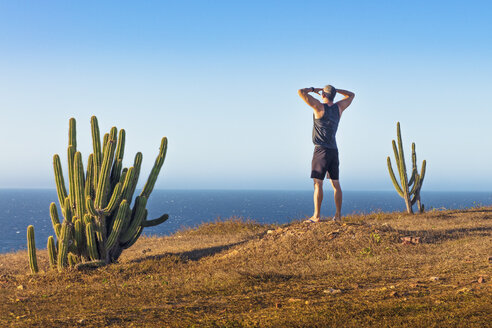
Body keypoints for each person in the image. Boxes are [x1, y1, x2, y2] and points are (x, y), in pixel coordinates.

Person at [298, 85, 355, 222]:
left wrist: (313, 89)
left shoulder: (319, 107)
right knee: (336, 184)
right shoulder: (339, 107)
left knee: (318, 184)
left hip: (321, 150)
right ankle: (338, 215)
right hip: (333, 151)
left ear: (323, 94)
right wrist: (336, 91)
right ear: (334, 95)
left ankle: (316, 216)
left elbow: (300, 92)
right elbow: (351, 95)